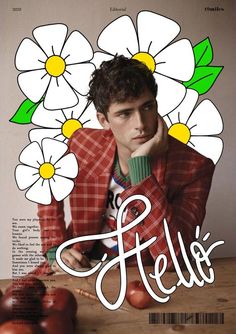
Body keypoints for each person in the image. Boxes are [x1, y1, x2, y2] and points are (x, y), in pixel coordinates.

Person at [37, 55, 215, 275]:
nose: (140, 124)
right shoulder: (83, 144)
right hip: (78, 265)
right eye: (125, 113)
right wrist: (55, 249)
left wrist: (141, 166)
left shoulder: (194, 168)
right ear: (104, 120)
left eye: (147, 107)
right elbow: (46, 186)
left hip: (142, 275)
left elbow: (173, 261)